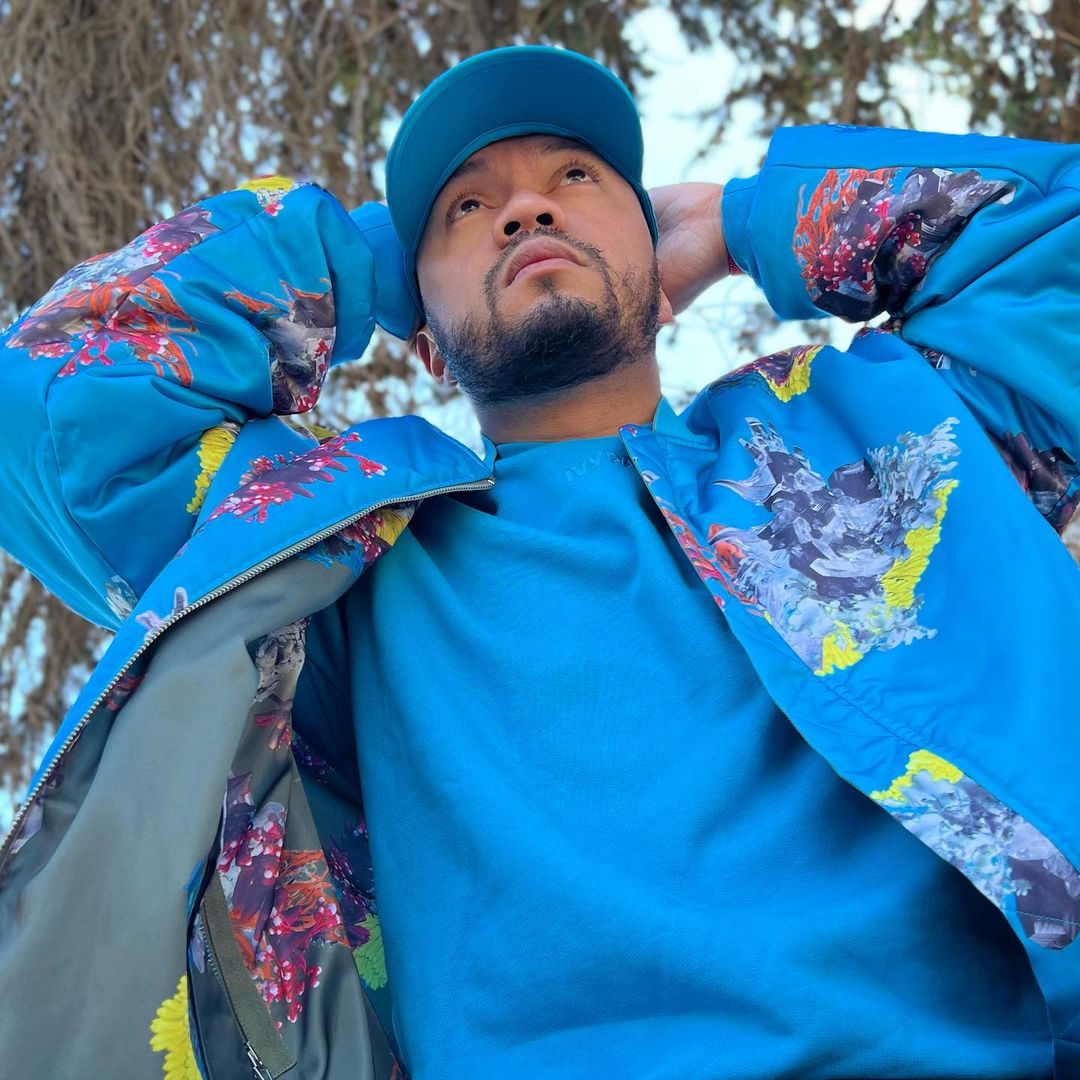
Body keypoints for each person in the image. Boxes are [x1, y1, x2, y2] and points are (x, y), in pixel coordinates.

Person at [0, 43, 1077, 1080]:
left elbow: (1053, 255)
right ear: (424, 339)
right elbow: (50, 410)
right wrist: (367, 263)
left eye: (575, 177)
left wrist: (742, 222)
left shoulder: (864, 439)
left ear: (658, 268)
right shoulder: (330, 562)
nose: (525, 209)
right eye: (466, 208)